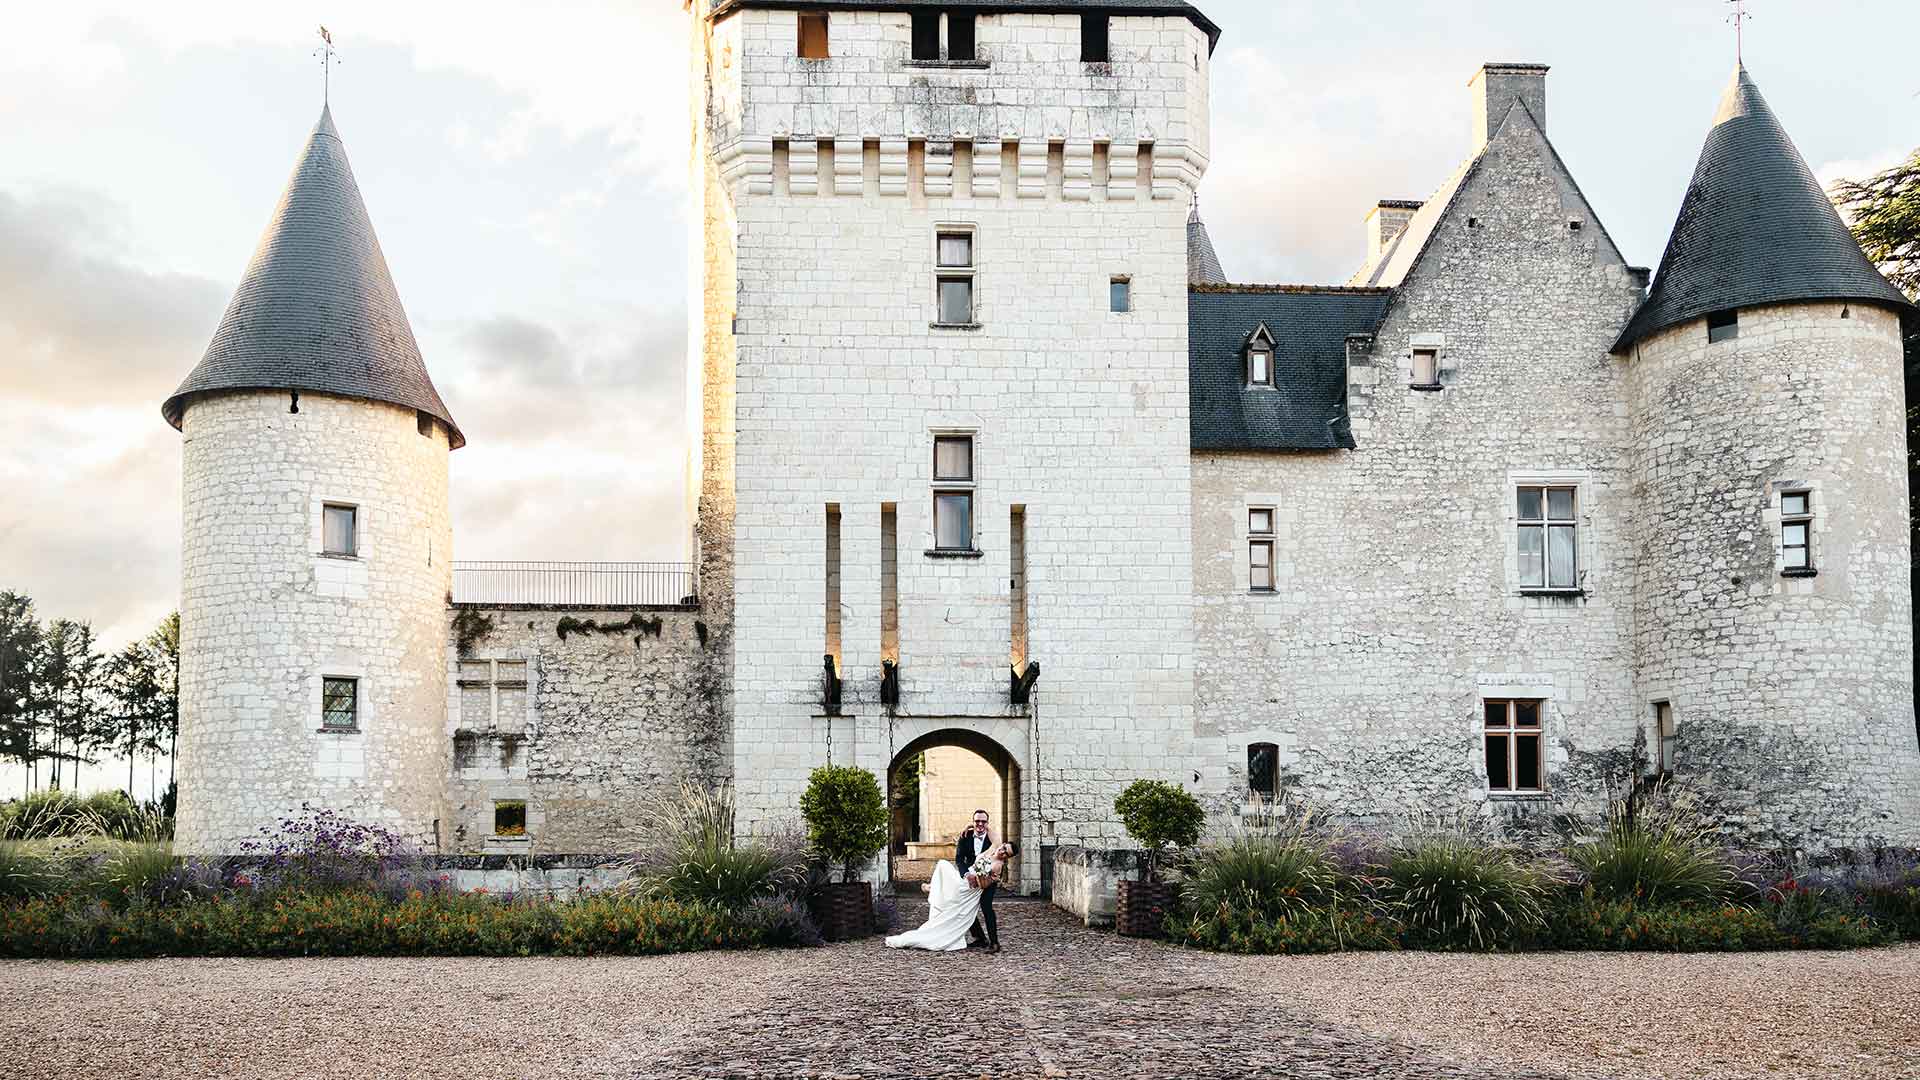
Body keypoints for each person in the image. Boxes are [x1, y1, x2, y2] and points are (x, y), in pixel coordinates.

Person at [884, 830, 1016, 954]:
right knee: (943, 868)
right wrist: (972, 828)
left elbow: (984, 884)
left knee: (943, 866)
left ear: (1007, 858)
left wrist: (978, 877)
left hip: (970, 887)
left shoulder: (998, 865)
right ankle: (934, 888)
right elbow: (992, 835)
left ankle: (932, 888)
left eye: (1006, 854)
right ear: (1003, 844)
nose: (1002, 852)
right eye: (1004, 848)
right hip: (965, 878)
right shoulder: (993, 849)